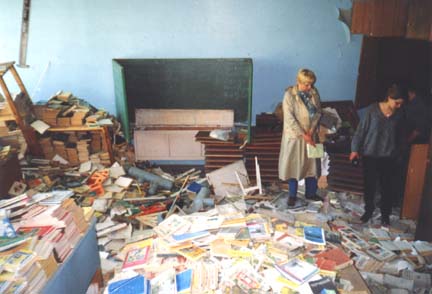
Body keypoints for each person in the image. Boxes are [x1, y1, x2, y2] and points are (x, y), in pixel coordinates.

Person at [350, 84, 406, 226]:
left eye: (401, 103)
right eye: (397, 102)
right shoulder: (372, 110)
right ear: (389, 98)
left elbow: (401, 136)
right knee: (369, 186)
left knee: (387, 187)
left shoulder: (399, 114)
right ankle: (368, 211)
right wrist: (354, 150)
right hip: (370, 154)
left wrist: (399, 152)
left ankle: (385, 215)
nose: (398, 106)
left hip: (389, 156)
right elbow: (360, 131)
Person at [278, 68, 322, 207]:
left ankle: (311, 193)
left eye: (311, 84)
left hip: (311, 134)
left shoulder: (314, 93)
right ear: (298, 81)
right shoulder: (289, 95)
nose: (309, 87)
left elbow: (318, 113)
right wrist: (304, 134)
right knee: (293, 165)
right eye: (306, 84)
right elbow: (290, 119)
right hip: (295, 136)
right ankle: (292, 195)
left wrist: (311, 132)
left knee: (312, 166)